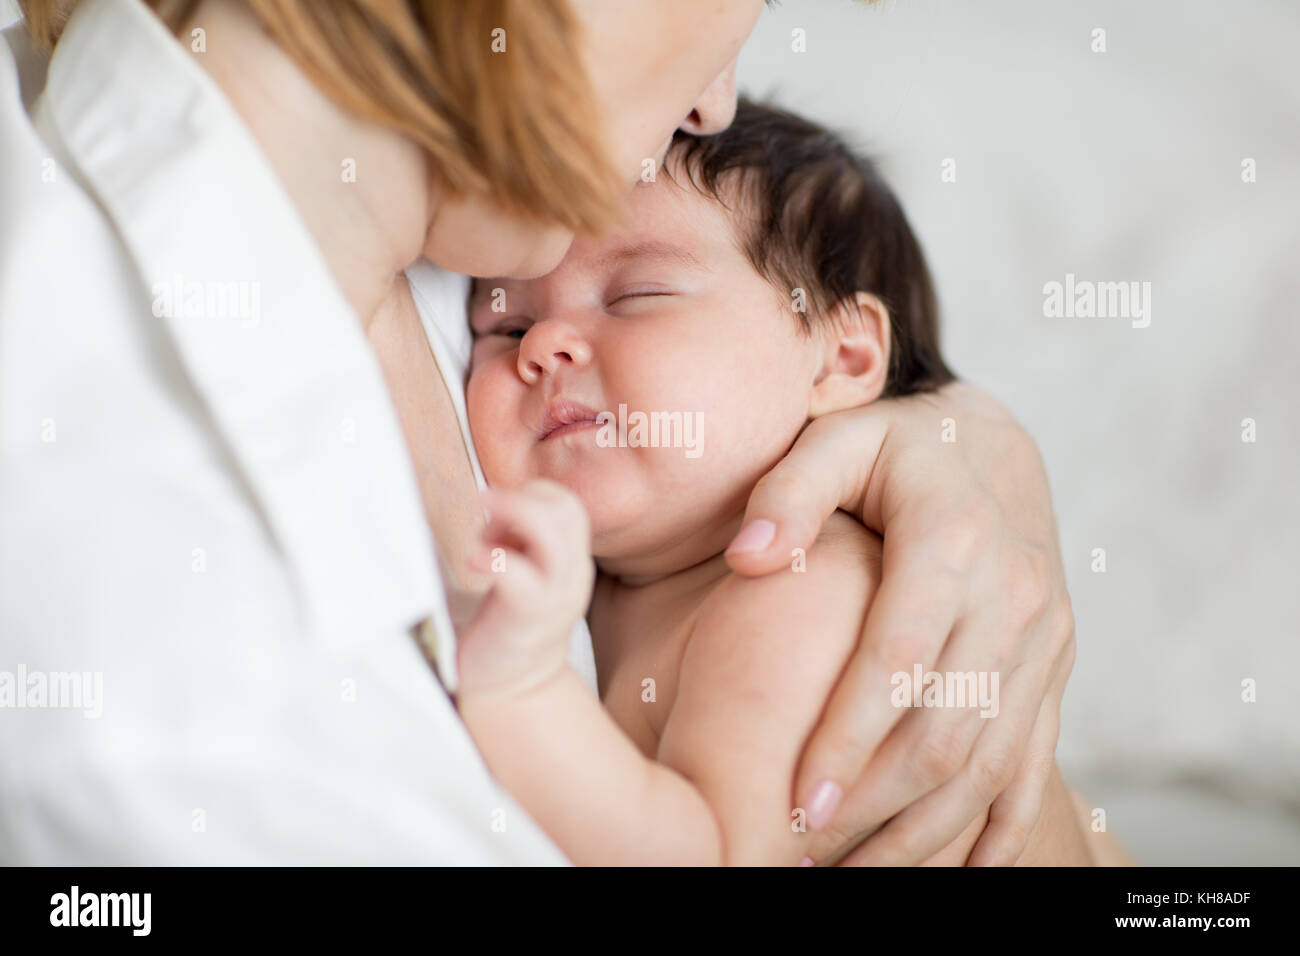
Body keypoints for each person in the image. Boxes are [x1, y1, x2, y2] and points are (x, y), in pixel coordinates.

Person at [0, 0, 1074, 864]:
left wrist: (952, 438)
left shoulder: (452, 203)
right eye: (502, 323)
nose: (712, 102)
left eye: (641, 294)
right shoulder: (132, 678)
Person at [454, 98, 1095, 865]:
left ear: (841, 358)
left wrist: (520, 690)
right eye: (506, 329)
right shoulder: (601, 579)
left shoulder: (805, 589)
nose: (546, 346)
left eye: (636, 297)